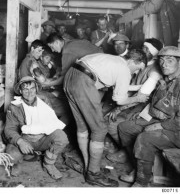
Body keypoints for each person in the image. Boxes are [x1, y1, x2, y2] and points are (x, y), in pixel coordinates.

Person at [63, 49, 148, 187]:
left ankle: (87, 166)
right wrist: (138, 97)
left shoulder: (113, 60)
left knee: (83, 125)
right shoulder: (124, 70)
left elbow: (117, 84)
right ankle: (94, 173)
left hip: (71, 77)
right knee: (100, 129)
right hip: (83, 82)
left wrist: (139, 87)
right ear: (132, 61)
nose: (137, 72)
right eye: (138, 69)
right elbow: (119, 99)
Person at [115, 46, 180, 187]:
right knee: (125, 127)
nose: (164, 64)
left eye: (170, 60)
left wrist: (160, 125)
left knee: (145, 138)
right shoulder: (165, 79)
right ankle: (139, 169)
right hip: (162, 120)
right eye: (162, 60)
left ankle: (142, 182)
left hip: (176, 129)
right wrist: (145, 114)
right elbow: (156, 103)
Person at [105, 38, 164, 151]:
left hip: (140, 107)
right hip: (130, 100)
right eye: (143, 47)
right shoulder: (138, 63)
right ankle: (122, 148)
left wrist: (118, 109)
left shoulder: (154, 71)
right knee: (104, 117)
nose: (143, 51)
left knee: (110, 123)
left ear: (154, 53)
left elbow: (141, 97)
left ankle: (126, 152)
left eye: (147, 49)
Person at [4, 77, 68, 180]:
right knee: (12, 156)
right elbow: (9, 130)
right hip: (26, 140)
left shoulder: (43, 100)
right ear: (20, 91)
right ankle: (20, 161)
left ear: (36, 89)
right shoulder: (14, 106)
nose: (29, 92)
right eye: (25, 89)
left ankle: (48, 164)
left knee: (61, 137)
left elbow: (51, 120)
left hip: (43, 139)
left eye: (32, 88)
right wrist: (20, 142)